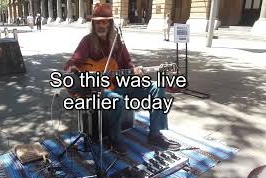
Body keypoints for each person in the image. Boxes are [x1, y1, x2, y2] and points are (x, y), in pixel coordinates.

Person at [63, 3, 179, 155]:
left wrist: (135, 70)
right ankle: (115, 139)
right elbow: (72, 63)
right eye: (98, 22)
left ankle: (155, 135)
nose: (101, 25)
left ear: (110, 23)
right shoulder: (87, 41)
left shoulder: (117, 41)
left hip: (120, 83)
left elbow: (128, 63)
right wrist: (77, 73)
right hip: (99, 90)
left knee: (157, 87)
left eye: (105, 22)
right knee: (116, 99)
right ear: (93, 23)